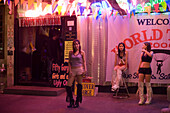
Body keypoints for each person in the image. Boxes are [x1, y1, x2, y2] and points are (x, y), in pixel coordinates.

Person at [66, 39, 87, 108]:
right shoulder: (70, 52)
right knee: (68, 85)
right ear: (73, 45)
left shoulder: (82, 52)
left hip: (80, 69)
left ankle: (77, 101)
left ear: (79, 45)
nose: (76, 45)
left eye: (77, 44)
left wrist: (85, 69)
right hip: (73, 69)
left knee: (79, 85)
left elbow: (84, 61)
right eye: (75, 44)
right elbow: (69, 62)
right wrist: (69, 70)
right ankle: (71, 100)